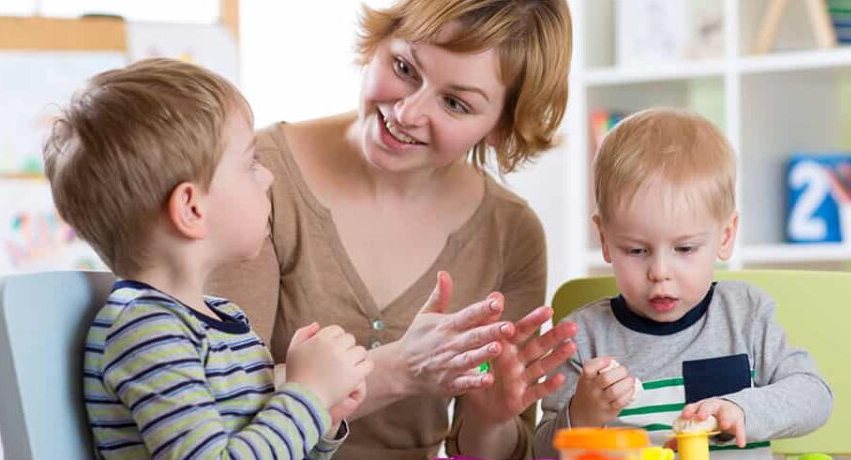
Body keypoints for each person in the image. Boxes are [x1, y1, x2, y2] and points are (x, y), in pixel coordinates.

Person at [207, 0, 579, 458]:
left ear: (501, 126)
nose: (407, 112)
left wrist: (488, 418)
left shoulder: (512, 233)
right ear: (380, 39)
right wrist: (400, 369)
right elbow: (220, 401)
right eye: (404, 67)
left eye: (455, 103)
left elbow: (497, 450)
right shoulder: (256, 178)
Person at [45, 58, 373, 459]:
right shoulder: (146, 332)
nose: (268, 177)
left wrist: (322, 417)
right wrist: (308, 393)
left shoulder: (224, 320)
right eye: (250, 164)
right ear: (192, 209)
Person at [534, 108, 833, 458]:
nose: (660, 271)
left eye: (685, 248)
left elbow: (814, 395)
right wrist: (582, 415)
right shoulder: (584, 339)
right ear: (604, 240)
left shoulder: (745, 315)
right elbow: (541, 452)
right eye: (636, 249)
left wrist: (740, 409)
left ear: (725, 236)